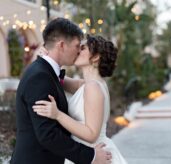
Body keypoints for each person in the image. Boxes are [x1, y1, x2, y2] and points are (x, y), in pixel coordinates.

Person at [11, 18, 111, 164]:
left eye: (82, 48)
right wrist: (91, 157)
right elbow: (48, 134)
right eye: (78, 46)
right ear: (62, 45)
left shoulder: (48, 73)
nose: (78, 50)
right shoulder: (40, 76)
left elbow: (69, 82)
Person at [32, 34, 128, 164]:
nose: (77, 50)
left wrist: (57, 115)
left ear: (95, 57)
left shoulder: (92, 87)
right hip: (86, 151)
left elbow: (91, 134)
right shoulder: (88, 84)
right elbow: (59, 79)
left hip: (93, 153)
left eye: (83, 48)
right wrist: (48, 58)